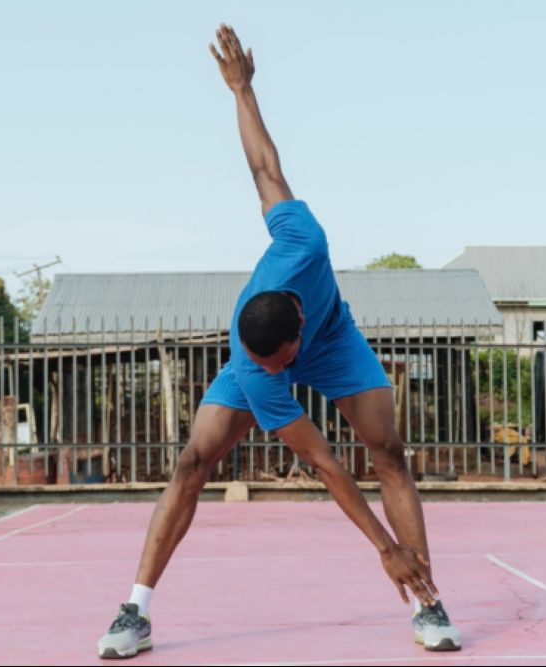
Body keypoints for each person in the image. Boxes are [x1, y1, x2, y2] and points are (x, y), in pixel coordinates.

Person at [97, 24, 462, 659]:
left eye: (279, 360)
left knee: (390, 452)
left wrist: (242, 89)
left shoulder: (303, 242)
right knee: (192, 462)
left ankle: (428, 600)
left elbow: (265, 167)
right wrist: (383, 549)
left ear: (293, 333)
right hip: (268, 350)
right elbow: (323, 464)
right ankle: (136, 611)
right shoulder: (256, 363)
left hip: (337, 338)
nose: (278, 370)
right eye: (268, 364)